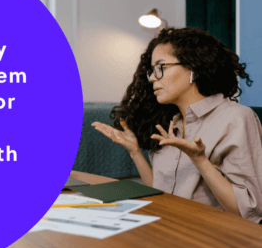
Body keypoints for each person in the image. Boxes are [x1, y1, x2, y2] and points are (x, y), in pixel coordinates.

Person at [92, 27, 262, 223]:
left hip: (212, 241)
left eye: (161, 67)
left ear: (193, 68)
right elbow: (161, 194)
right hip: (169, 229)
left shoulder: (236, 118)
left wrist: (200, 160)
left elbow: (249, 213)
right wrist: (135, 152)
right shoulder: (171, 124)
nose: (153, 78)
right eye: (152, 71)